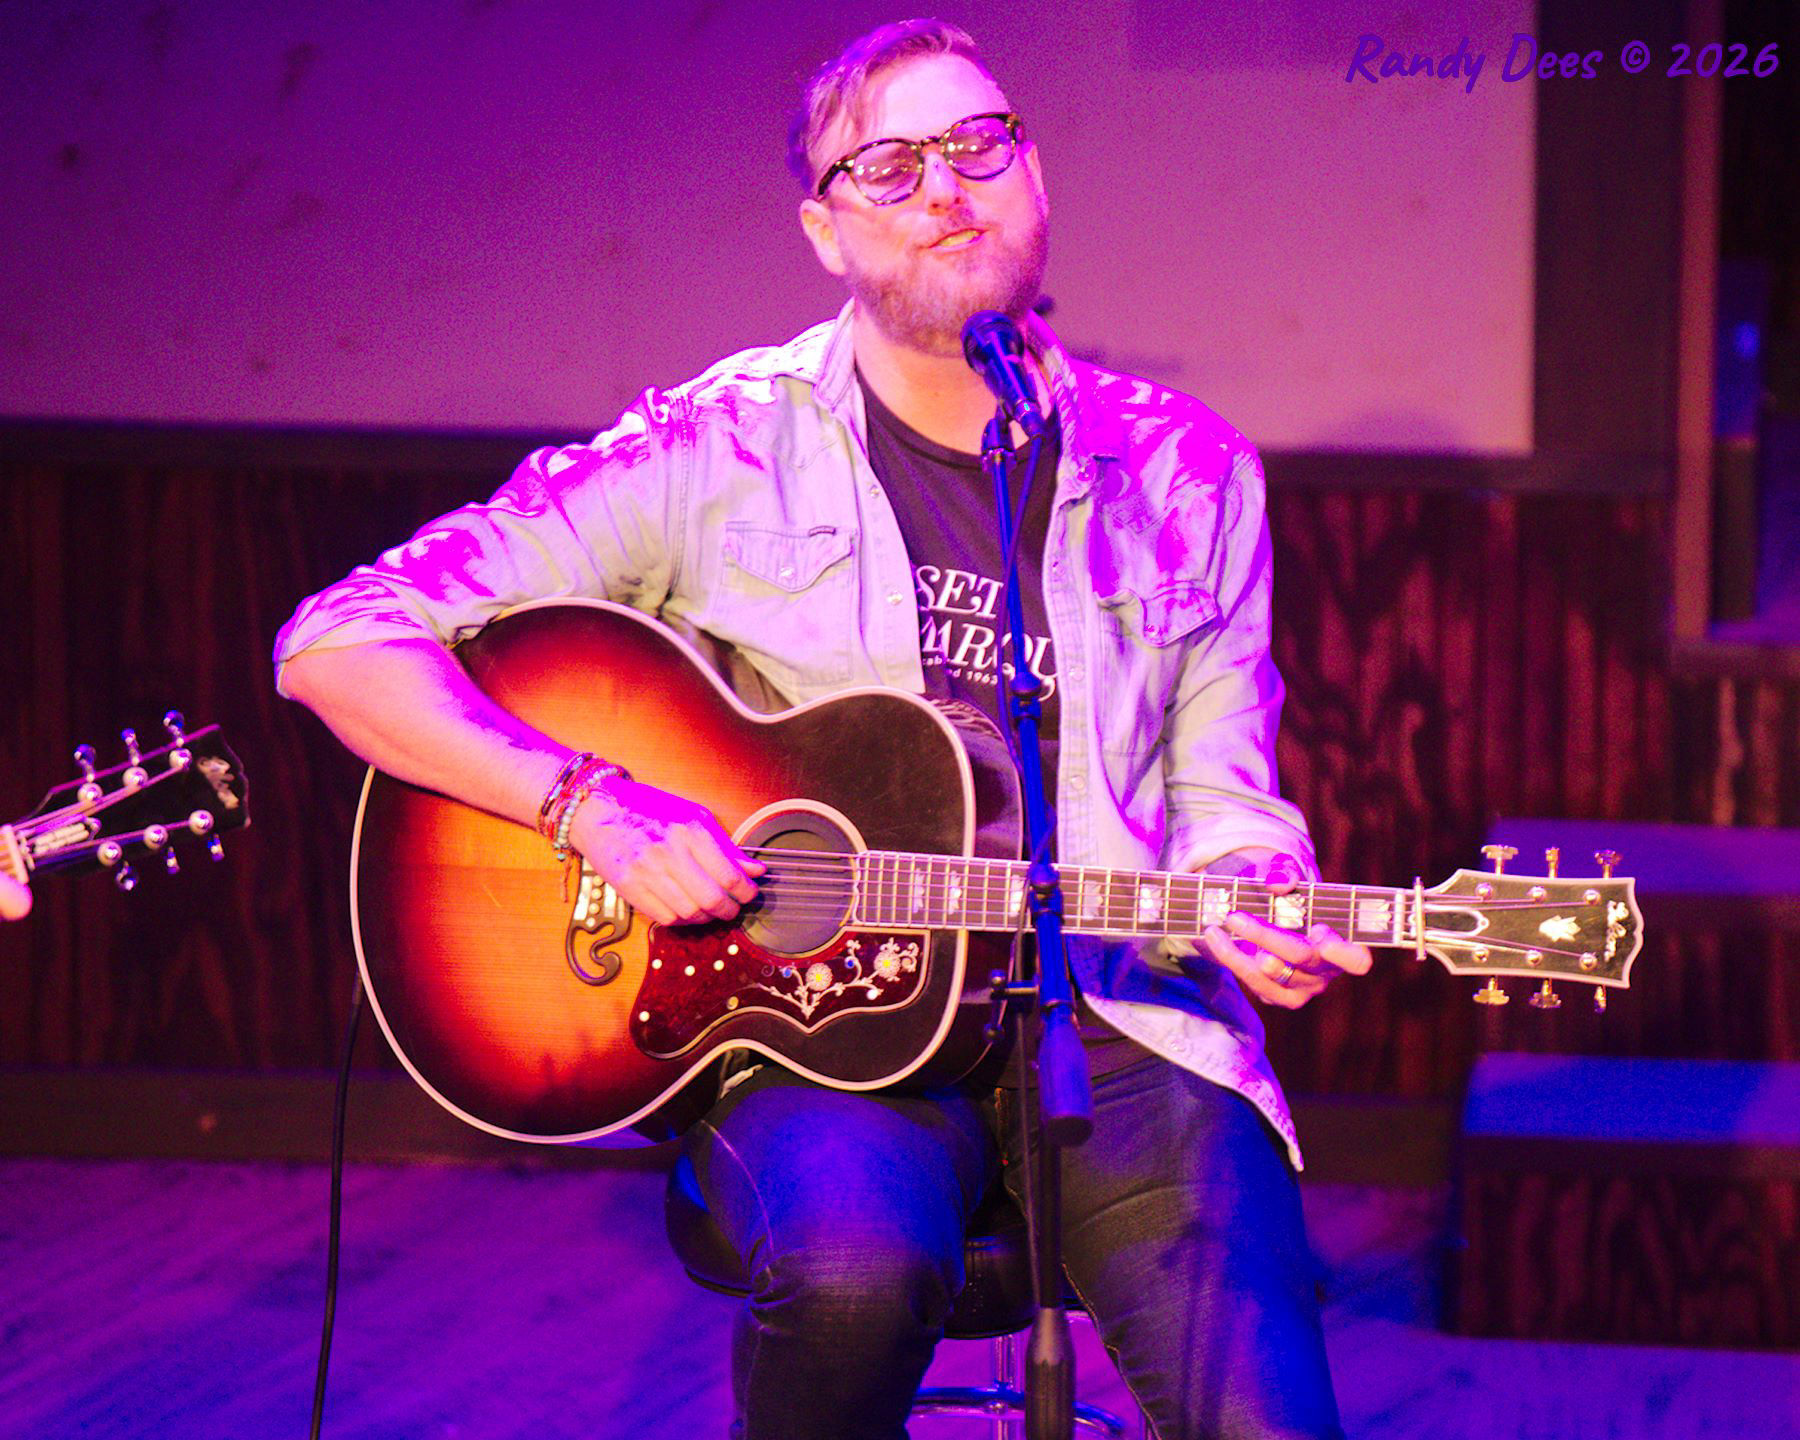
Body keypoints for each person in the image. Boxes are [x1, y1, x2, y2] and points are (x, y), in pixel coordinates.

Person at [276, 19, 1370, 1438]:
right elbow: (339, 642)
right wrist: (588, 802)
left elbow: (1222, 787)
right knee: (854, 1273)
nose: (946, 189)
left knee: (1265, 1415)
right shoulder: (713, 445)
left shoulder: (1185, 468)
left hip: (1116, 1011)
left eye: (980, 147)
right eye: (890, 165)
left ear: (1033, 176)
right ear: (824, 227)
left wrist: (1253, 891)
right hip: (806, 1032)